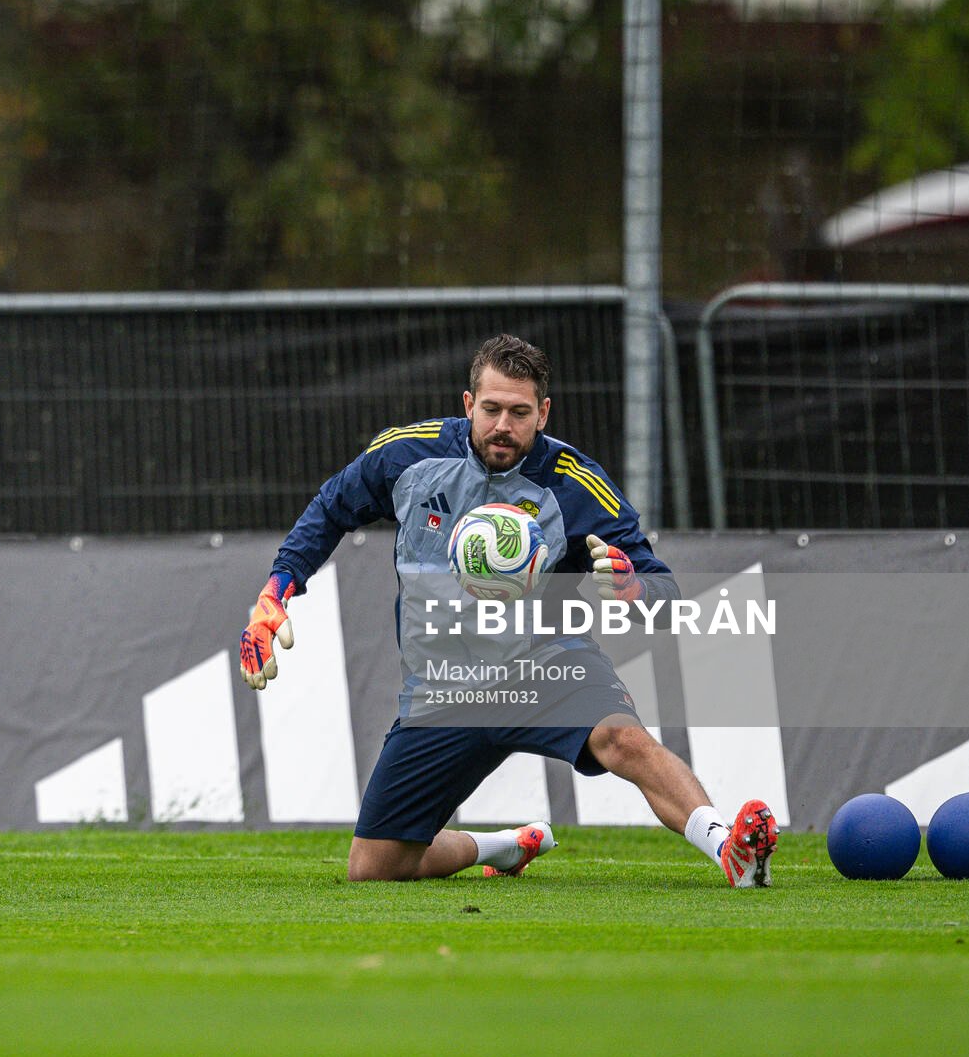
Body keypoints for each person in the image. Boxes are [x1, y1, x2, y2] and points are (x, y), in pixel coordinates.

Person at [237, 334, 776, 887]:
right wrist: (276, 591)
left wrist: (634, 588)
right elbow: (330, 507)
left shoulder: (575, 483)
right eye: (491, 409)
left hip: (547, 665)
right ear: (468, 404)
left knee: (622, 738)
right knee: (374, 868)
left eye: (519, 413)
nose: (503, 426)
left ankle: (728, 848)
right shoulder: (409, 455)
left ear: (543, 413)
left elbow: (666, 596)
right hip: (444, 687)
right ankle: (507, 846)